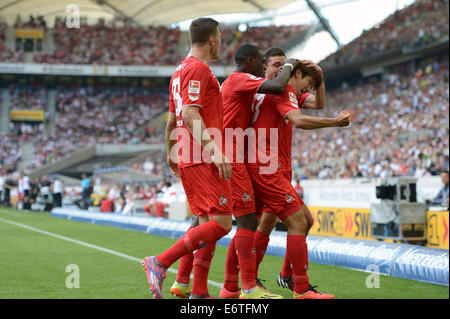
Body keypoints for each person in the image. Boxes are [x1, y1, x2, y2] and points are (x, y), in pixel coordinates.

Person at [141, 17, 233, 300]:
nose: (220, 42)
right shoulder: (198, 70)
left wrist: (170, 151)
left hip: (188, 154)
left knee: (206, 223)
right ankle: (160, 261)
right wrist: (214, 150)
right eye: (220, 36)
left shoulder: (179, 71)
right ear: (212, 39)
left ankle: (199, 292)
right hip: (202, 155)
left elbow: (172, 120)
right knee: (222, 224)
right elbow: (190, 114)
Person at [246, 59, 350, 299]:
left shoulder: (288, 91)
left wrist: (320, 78)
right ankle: (294, 287)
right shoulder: (284, 90)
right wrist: (334, 122)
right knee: (293, 222)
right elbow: (300, 121)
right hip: (267, 166)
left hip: (275, 167)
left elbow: (319, 102)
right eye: (309, 83)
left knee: (298, 220)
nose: (310, 88)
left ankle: (278, 277)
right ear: (296, 72)